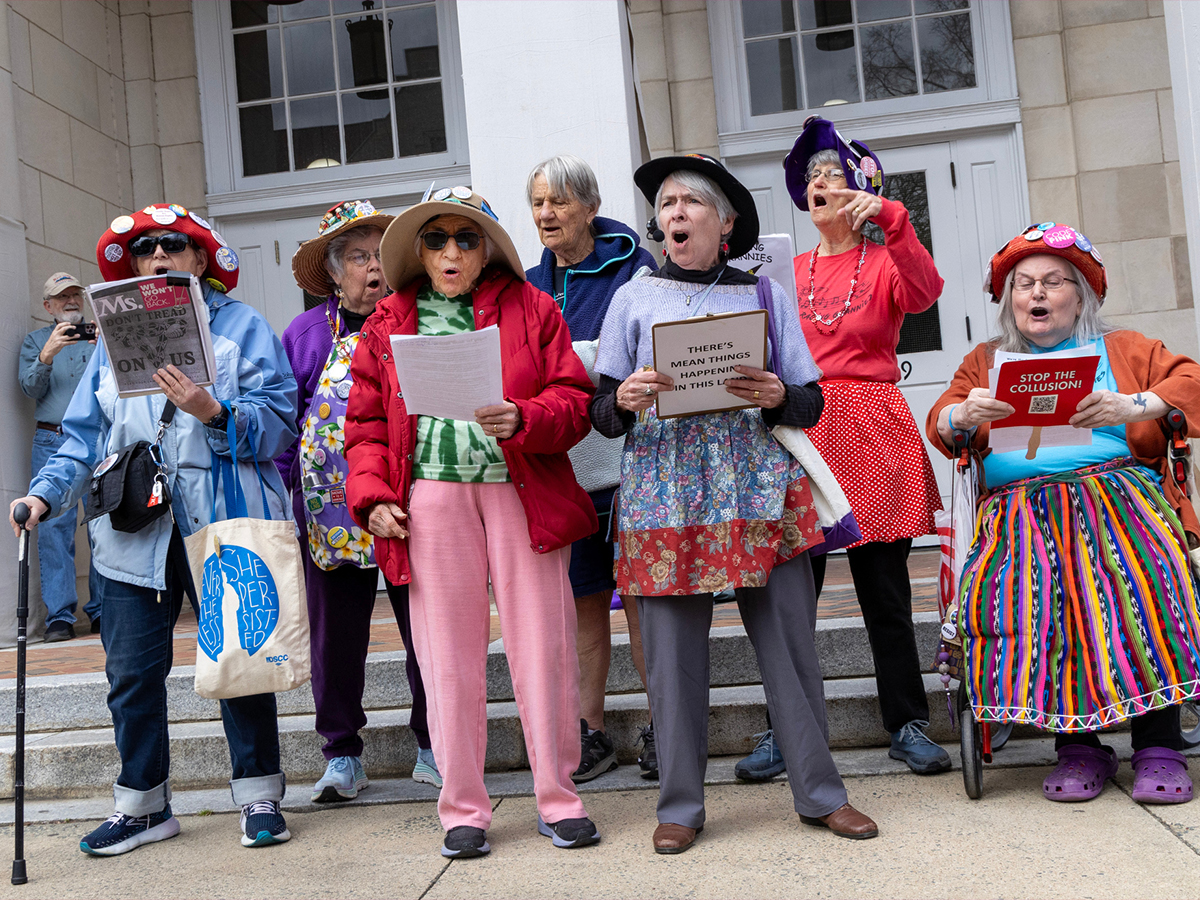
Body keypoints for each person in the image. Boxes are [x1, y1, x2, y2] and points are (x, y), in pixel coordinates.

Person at [592, 153, 878, 853]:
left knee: (789, 648)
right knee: (671, 657)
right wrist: (623, 399)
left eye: (691, 202)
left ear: (725, 224)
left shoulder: (763, 294)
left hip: (757, 489)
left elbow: (809, 400)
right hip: (663, 496)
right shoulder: (632, 297)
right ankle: (681, 806)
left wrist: (780, 394)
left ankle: (821, 793)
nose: (676, 213)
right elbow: (598, 412)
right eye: (666, 205)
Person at [9, 204, 298, 854]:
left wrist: (215, 411)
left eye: (174, 246)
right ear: (133, 267)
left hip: (225, 518)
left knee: (241, 663)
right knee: (131, 673)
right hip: (132, 531)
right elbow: (80, 438)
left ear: (200, 258)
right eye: (146, 250)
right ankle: (142, 807)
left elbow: (280, 417)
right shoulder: (111, 345)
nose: (159, 258)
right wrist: (43, 495)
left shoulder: (243, 328)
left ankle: (259, 796)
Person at [344, 187, 601, 858]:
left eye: (466, 238)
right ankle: (462, 807)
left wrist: (525, 416)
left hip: (522, 491)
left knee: (543, 647)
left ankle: (558, 797)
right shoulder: (388, 321)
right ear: (418, 251)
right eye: (436, 240)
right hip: (431, 499)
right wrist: (372, 497)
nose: (452, 252)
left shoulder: (534, 307)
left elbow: (574, 401)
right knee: (444, 658)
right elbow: (365, 424)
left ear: (487, 247)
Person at [928, 222, 1200, 805]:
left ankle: (1160, 744)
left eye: (1053, 281)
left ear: (1082, 295)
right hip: (1017, 512)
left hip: (1117, 495)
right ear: (1009, 300)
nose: (1037, 294)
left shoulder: (1123, 350)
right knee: (1039, 600)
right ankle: (1079, 746)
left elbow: (1190, 381)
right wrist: (964, 414)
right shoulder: (985, 360)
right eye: (1024, 284)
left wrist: (1132, 404)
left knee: (1148, 578)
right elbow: (943, 420)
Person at [736, 116, 950, 779]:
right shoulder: (783, 270)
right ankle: (788, 728)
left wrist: (893, 217)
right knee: (792, 595)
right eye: (810, 177)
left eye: (831, 174)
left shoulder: (886, 260)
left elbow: (926, 292)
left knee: (883, 590)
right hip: (800, 426)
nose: (818, 183)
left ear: (860, 190)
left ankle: (908, 723)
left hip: (872, 424)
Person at [280, 200, 440, 803]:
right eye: (357, 256)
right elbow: (285, 429)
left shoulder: (418, 320)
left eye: (380, 254)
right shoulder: (305, 333)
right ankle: (342, 754)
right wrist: (287, 501)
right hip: (328, 515)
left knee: (423, 630)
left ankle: (433, 746)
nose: (372, 267)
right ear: (334, 271)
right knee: (334, 639)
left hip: (406, 505)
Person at [524, 155, 658, 782]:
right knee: (582, 601)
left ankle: (665, 727)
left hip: (633, 464)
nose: (545, 215)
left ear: (590, 206)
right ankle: (591, 731)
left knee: (641, 601)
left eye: (557, 202)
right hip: (564, 470)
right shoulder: (526, 283)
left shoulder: (635, 269)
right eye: (537, 204)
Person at [19, 273, 102, 641]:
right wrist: (46, 355)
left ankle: (104, 609)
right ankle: (60, 617)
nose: (70, 301)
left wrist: (109, 343)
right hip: (51, 441)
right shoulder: (36, 341)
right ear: (47, 306)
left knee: (105, 523)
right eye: (61, 297)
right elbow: (29, 388)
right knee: (53, 529)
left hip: (100, 441)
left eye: (75, 294)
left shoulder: (103, 334)